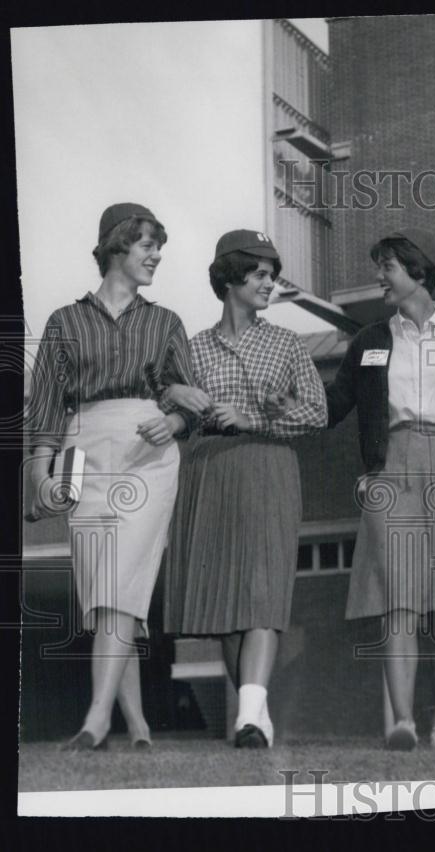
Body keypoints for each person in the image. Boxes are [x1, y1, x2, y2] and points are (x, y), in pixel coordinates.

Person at [27, 202, 201, 750]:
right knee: (104, 592)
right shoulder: (64, 322)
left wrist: (171, 421)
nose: (156, 256)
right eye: (148, 244)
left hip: (147, 454)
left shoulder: (166, 321)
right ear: (117, 246)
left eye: (159, 247)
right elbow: (48, 408)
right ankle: (140, 725)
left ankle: (97, 718)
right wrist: (38, 474)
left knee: (123, 576)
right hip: (82, 450)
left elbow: (189, 403)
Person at [325, 228, 435, 750]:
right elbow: (335, 406)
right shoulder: (369, 341)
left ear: (419, 272)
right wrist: (279, 399)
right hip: (393, 470)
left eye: (388, 267)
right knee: (398, 600)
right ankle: (404, 722)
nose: (379, 276)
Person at [161, 230, 326, 748]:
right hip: (208, 474)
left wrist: (253, 417)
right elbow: (180, 419)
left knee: (261, 593)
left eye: (272, 275)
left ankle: (250, 717)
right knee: (226, 609)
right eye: (259, 274)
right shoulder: (190, 348)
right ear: (231, 276)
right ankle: (255, 714)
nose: (268, 284)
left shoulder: (287, 344)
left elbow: (317, 412)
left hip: (268, 469)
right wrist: (176, 409)